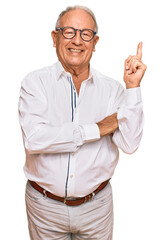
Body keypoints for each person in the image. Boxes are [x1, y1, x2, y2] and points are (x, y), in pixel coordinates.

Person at [18, 5, 147, 240]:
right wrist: (97, 129)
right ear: (54, 37)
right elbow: (35, 140)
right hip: (44, 207)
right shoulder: (34, 83)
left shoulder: (112, 90)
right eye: (69, 32)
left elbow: (129, 144)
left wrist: (132, 88)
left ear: (95, 43)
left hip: (96, 208)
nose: (77, 40)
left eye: (86, 34)